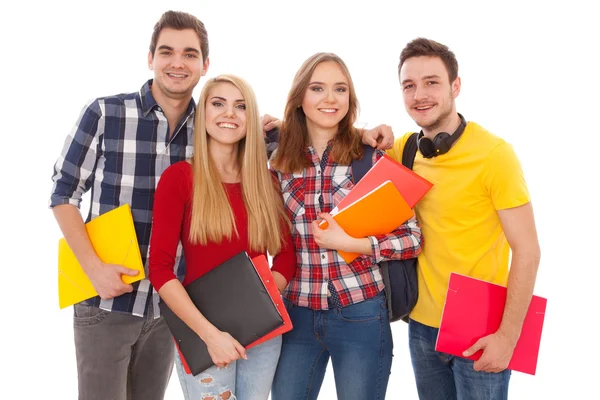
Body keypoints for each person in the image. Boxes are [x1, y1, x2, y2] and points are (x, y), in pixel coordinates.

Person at [49, 10, 213, 400]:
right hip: (107, 299)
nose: (177, 62)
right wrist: (93, 269)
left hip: (170, 307)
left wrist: (363, 134)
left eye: (190, 54)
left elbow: (286, 145)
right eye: (167, 51)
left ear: (205, 65)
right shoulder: (106, 113)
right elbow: (63, 193)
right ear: (150, 57)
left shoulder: (212, 127)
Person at [386, 38, 541, 399]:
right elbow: (345, 148)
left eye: (432, 82)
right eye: (409, 85)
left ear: (456, 86)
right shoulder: (406, 148)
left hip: (480, 329)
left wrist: (508, 336)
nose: (419, 94)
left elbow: (528, 250)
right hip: (421, 325)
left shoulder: (494, 155)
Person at [269, 52, 423, 400]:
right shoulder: (277, 162)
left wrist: (355, 243)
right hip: (297, 315)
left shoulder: (370, 159)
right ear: (300, 98)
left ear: (350, 99)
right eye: (317, 88)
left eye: (340, 89)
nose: (329, 98)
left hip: (361, 314)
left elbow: (412, 238)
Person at [148, 74, 296, 400]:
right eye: (218, 104)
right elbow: (159, 269)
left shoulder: (266, 182)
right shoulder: (180, 178)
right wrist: (210, 335)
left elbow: (286, 258)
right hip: (202, 332)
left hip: (263, 331)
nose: (229, 113)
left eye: (240, 106)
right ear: (203, 116)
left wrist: (256, 304)